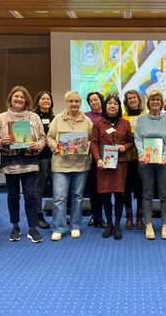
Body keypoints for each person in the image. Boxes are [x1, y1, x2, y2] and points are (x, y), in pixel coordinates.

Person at [0, 86, 46, 243]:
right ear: (11, 98)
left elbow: (42, 137)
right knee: (13, 196)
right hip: (10, 163)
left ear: (26, 100)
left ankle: (32, 228)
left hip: (30, 162)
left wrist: (38, 145)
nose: (19, 99)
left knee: (30, 196)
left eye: (22, 97)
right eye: (16, 96)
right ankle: (15, 226)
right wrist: (1, 141)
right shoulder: (2, 117)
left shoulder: (34, 117)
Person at [46, 90, 92, 241]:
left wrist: (88, 146)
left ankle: (75, 226)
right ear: (66, 103)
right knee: (59, 198)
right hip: (60, 164)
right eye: (71, 101)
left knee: (78, 197)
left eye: (77, 101)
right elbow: (50, 137)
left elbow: (93, 139)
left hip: (80, 164)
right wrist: (56, 147)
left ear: (80, 103)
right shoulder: (58, 119)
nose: (74, 104)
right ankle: (59, 228)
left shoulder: (86, 121)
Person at [91, 94, 134, 239]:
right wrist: (97, 159)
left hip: (120, 164)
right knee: (105, 194)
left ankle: (117, 224)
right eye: (109, 103)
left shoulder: (125, 123)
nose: (112, 106)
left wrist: (124, 147)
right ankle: (108, 222)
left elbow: (131, 141)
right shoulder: (98, 123)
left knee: (119, 194)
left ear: (119, 106)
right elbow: (94, 143)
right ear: (105, 106)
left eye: (115, 103)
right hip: (103, 164)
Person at [134, 89, 166, 240]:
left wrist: (165, 155)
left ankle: (165, 225)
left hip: (164, 161)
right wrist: (142, 154)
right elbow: (137, 138)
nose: (155, 102)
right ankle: (148, 225)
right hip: (145, 162)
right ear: (148, 103)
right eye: (152, 100)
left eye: (158, 99)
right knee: (147, 193)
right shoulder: (142, 119)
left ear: (161, 102)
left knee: (164, 193)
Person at [122, 90, 145, 229]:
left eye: (134, 97)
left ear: (138, 99)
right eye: (129, 98)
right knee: (126, 188)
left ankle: (139, 217)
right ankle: (129, 216)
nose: (132, 100)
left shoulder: (145, 116)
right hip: (126, 158)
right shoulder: (122, 117)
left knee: (141, 188)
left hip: (142, 157)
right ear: (126, 101)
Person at [33, 91, 54, 229]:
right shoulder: (33, 118)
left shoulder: (55, 117)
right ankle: (38, 216)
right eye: (43, 98)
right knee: (39, 187)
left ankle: (60, 215)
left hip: (55, 156)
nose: (46, 100)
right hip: (39, 156)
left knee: (58, 186)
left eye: (48, 98)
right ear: (38, 101)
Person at [84, 91, 106, 228]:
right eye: (91, 101)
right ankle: (94, 215)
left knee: (105, 187)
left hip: (108, 156)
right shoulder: (85, 117)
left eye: (96, 100)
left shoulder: (108, 114)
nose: (93, 103)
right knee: (93, 187)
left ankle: (102, 215)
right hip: (92, 156)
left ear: (101, 101)